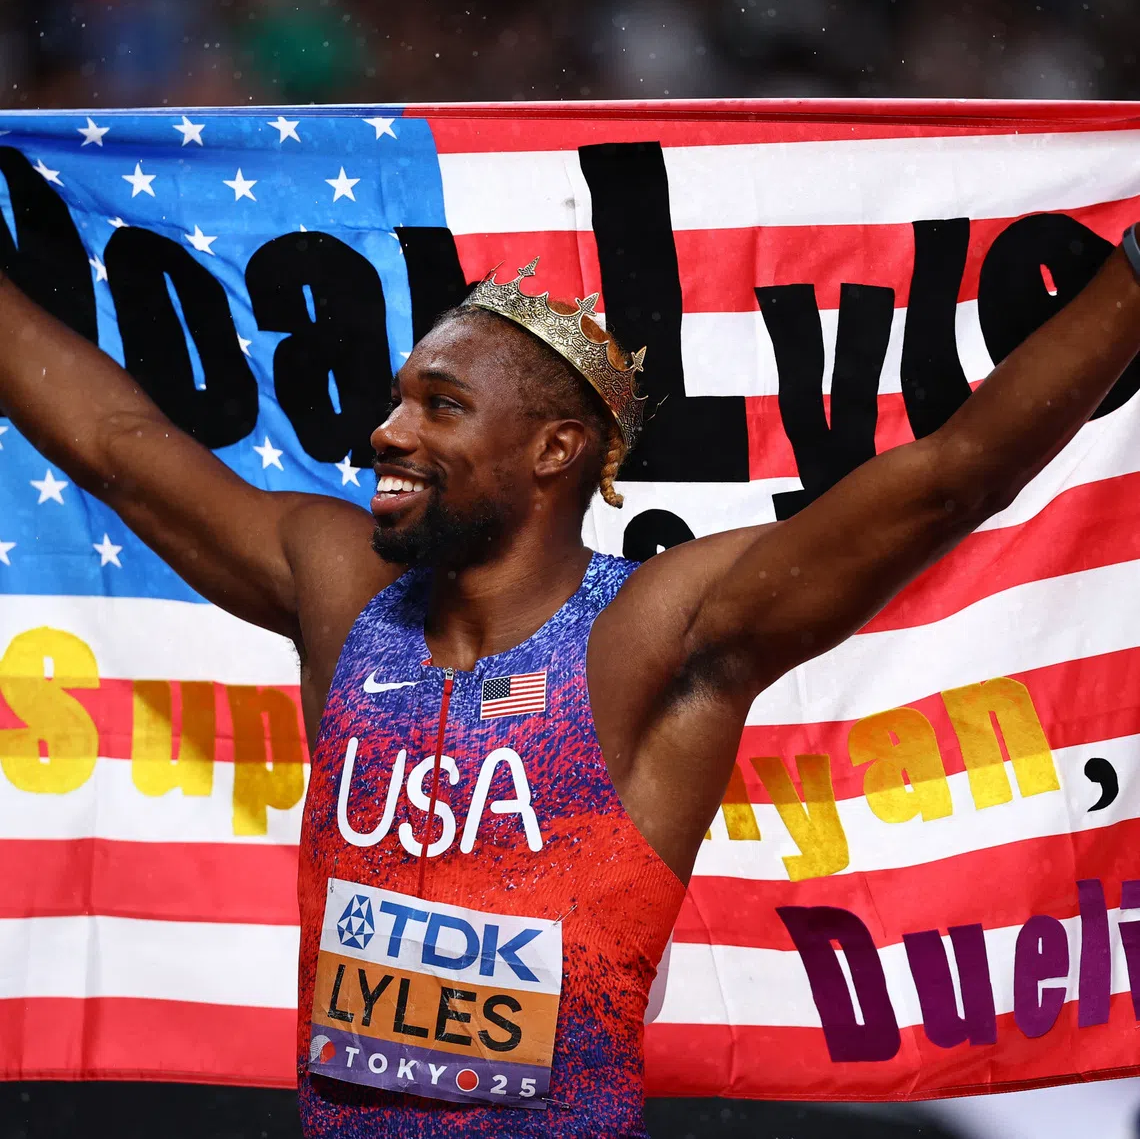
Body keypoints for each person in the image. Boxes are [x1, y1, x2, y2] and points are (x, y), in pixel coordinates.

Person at [3, 232, 1140, 1138]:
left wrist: (1127, 286)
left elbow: (949, 480)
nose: (385, 431)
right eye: (401, 398)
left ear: (553, 453)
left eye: (439, 405)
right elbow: (115, 445)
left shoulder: (649, 634)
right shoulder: (342, 591)